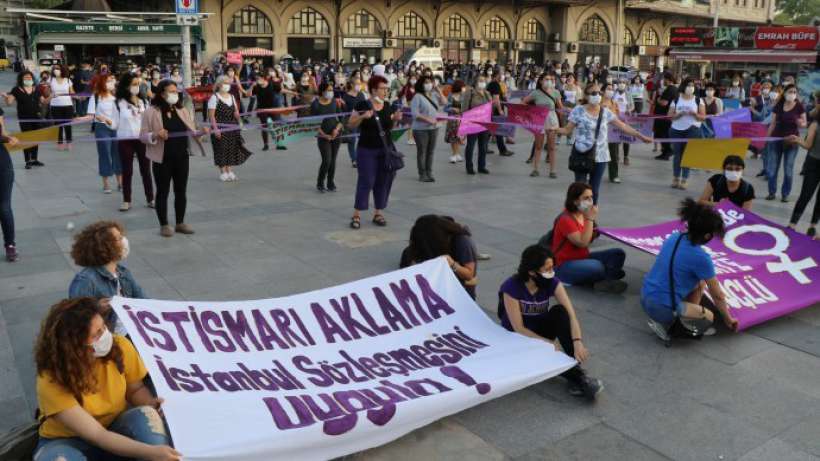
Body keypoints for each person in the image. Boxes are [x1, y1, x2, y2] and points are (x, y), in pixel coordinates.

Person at [33, 297, 181, 461]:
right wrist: (149, 452)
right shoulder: (51, 378)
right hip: (67, 441)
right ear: (73, 346)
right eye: (96, 334)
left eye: (103, 327)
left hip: (114, 426)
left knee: (147, 415)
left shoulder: (120, 345)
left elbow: (135, 389)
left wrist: (151, 403)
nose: (105, 335)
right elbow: (97, 435)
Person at [498, 245, 603, 399]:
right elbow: (518, 328)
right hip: (518, 338)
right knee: (546, 350)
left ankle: (576, 373)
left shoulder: (552, 282)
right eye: (546, 270)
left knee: (560, 312)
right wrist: (548, 342)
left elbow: (571, 314)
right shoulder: (511, 287)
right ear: (532, 272)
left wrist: (577, 341)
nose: (551, 272)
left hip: (539, 330)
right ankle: (578, 378)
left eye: (552, 267)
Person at [640, 199, 739, 342]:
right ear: (707, 236)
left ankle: (682, 318)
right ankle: (673, 327)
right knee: (709, 317)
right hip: (662, 308)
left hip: (645, 297)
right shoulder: (701, 257)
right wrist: (728, 319)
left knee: (700, 284)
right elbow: (717, 295)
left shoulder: (674, 237)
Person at [556, 83, 651, 204]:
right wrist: (555, 129)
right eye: (594, 93)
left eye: (599, 93)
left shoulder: (605, 112)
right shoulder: (578, 110)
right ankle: (577, 217)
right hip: (581, 155)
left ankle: (591, 218)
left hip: (600, 156)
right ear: (586, 95)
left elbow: (623, 126)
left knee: (594, 190)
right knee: (580, 190)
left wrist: (640, 136)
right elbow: (567, 130)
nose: (597, 95)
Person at [141, 80, 206, 238]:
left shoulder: (181, 109)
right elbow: (142, 136)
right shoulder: (151, 111)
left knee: (181, 190)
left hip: (182, 156)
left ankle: (180, 222)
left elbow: (191, 130)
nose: (174, 94)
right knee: (163, 191)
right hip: (162, 158)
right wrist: (156, 135)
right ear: (162, 93)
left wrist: (201, 132)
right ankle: (164, 224)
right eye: (171, 91)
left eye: (176, 91)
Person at [67, 221, 145, 334]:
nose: (124, 241)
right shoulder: (85, 280)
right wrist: (97, 308)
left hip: (131, 329)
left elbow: (142, 299)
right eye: (119, 238)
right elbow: (76, 319)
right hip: (109, 337)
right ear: (106, 248)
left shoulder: (123, 272)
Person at [549, 182, 628, 293]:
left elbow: (591, 236)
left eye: (591, 197)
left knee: (618, 253)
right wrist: (590, 219)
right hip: (563, 266)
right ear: (575, 200)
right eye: (586, 198)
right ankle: (604, 278)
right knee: (597, 266)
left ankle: (606, 280)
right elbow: (583, 242)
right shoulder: (566, 219)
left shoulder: (582, 213)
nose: (590, 201)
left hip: (582, 257)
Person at [347, 75, 403, 229]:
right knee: (366, 181)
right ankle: (356, 214)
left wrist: (396, 119)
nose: (386, 91)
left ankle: (378, 212)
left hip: (385, 150)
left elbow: (388, 128)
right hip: (366, 149)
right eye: (383, 89)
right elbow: (350, 125)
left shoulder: (388, 106)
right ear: (373, 90)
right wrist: (362, 116)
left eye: (387, 88)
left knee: (383, 181)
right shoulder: (362, 104)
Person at [400, 215, 478, 299]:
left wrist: (452, 264)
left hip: (459, 287)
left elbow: (469, 275)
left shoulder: (462, 241)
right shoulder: (412, 250)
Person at [115, 73, 153, 212]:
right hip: (125, 139)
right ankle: (126, 200)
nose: (136, 87)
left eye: (138, 84)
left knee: (146, 170)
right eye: (134, 84)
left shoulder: (144, 102)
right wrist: (104, 121)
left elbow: (148, 120)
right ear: (126, 86)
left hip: (141, 139)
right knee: (127, 171)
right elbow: (114, 123)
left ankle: (150, 198)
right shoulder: (119, 102)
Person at [766, 84, 807, 202]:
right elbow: (772, 123)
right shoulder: (779, 105)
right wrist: (767, 139)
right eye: (790, 91)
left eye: (794, 92)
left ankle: (785, 194)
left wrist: (800, 123)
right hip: (776, 140)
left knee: (788, 170)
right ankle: (771, 192)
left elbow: (804, 123)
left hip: (792, 142)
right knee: (772, 169)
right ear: (784, 93)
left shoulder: (799, 106)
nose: (792, 94)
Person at [208, 75, 252, 182]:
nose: (227, 85)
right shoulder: (215, 97)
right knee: (221, 149)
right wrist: (215, 129)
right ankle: (223, 172)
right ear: (219, 85)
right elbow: (211, 116)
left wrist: (239, 120)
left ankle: (230, 170)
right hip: (220, 127)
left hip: (232, 126)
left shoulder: (232, 96)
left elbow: (236, 112)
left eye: (228, 83)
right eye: (225, 83)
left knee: (231, 148)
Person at [86, 73, 123, 194]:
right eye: (108, 81)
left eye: (113, 80)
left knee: (118, 153)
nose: (112, 82)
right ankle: (106, 183)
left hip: (116, 128)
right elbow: (91, 114)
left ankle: (120, 181)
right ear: (103, 82)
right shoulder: (96, 97)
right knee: (105, 153)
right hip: (102, 128)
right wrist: (101, 117)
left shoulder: (117, 97)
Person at [786, 109, 820, 239]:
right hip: (813, 164)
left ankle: (804, 225)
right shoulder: (815, 124)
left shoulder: (816, 124)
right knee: (807, 195)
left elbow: (807, 144)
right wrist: (797, 140)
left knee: (809, 196)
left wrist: (798, 140)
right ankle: (798, 224)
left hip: (813, 162)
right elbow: (807, 144)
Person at [668, 78, 706, 190]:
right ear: (683, 86)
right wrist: (679, 115)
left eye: (692, 85)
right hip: (676, 129)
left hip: (692, 129)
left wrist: (695, 114)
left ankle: (684, 179)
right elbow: (669, 116)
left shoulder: (698, 100)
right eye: (688, 85)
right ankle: (675, 178)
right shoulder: (676, 99)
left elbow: (703, 117)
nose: (691, 88)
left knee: (686, 154)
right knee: (677, 155)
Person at [522, 73, 562, 178]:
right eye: (546, 79)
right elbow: (523, 102)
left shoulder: (556, 92)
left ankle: (552, 171)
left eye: (550, 79)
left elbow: (560, 107)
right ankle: (535, 169)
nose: (549, 81)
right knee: (538, 146)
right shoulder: (536, 93)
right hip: (539, 119)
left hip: (552, 119)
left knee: (551, 147)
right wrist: (531, 112)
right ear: (541, 81)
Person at [4, 70, 45, 169]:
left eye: (30, 77)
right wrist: (6, 97)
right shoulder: (16, 89)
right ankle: (28, 161)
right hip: (24, 118)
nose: (28, 79)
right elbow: (9, 103)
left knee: (35, 138)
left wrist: (52, 96)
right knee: (26, 138)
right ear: (21, 79)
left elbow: (43, 101)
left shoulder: (37, 89)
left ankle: (34, 159)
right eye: (26, 78)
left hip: (36, 117)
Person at [410, 75, 444, 182]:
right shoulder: (417, 97)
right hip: (420, 129)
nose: (429, 84)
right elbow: (415, 114)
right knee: (422, 151)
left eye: (430, 82)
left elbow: (444, 102)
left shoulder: (433, 95)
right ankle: (422, 173)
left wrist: (439, 91)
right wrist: (428, 120)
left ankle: (429, 172)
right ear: (421, 84)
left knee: (430, 151)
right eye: (426, 82)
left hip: (434, 128)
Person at [311, 82, 343, 193]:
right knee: (327, 160)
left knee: (333, 160)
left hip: (336, 134)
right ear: (322, 91)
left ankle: (330, 183)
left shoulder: (334, 102)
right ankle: (320, 183)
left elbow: (341, 118)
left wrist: (337, 129)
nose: (331, 92)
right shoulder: (315, 104)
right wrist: (324, 135)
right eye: (328, 90)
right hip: (323, 136)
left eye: (331, 90)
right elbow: (313, 124)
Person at [461, 76, 492, 175]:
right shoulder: (470, 92)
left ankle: (481, 166)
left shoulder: (487, 93)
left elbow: (491, 106)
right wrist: (464, 122)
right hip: (473, 123)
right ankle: (469, 167)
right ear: (476, 82)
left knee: (483, 146)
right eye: (480, 81)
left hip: (484, 123)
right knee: (471, 145)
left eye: (484, 81)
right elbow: (464, 108)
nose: (482, 82)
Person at [1, 133, 19, 261]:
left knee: (4, 207)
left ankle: (10, 245)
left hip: (2, 167)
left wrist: (7, 138)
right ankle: (10, 245)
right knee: (4, 207)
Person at [48, 65, 75, 151]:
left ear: (62, 70)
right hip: (55, 105)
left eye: (58, 68)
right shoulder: (51, 80)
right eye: (55, 69)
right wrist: (50, 94)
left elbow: (72, 92)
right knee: (58, 125)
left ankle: (69, 142)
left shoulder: (67, 80)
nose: (56, 70)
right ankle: (60, 143)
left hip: (67, 105)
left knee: (67, 125)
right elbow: (47, 92)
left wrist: (77, 96)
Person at [653, 73, 678, 160]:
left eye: (664, 79)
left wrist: (658, 99)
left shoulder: (670, 89)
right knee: (662, 134)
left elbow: (664, 103)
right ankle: (664, 152)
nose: (663, 81)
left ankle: (668, 150)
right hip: (664, 116)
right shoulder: (674, 89)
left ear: (668, 80)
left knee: (661, 134)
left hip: (663, 116)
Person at [341, 80, 366, 167]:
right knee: (352, 140)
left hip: (362, 119)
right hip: (351, 120)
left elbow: (365, 105)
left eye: (360, 84)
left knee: (364, 139)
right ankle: (354, 159)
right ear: (352, 85)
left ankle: (362, 157)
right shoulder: (346, 96)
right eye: (357, 84)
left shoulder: (361, 94)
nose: (359, 86)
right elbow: (344, 110)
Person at [251, 73, 279, 151]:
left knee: (273, 126)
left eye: (259, 78)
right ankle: (266, 144)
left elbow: (280, 89)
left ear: (264, 78)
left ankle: (277, 142)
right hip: (262, 109)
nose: (258, 80)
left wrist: (293, 92)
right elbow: (248, 94)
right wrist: (252, 86)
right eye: (257, 79)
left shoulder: (271, 84)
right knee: (264, 127)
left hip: (272, 108)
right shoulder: (257, 87)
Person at [611, 79, 633, 171]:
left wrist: (630, 110)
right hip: (614, 118)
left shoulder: (628, 94)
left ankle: (626, 156)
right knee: (615, 138)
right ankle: (616, 156)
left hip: (625, 119)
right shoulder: (613, 93)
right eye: (620, 82)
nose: (621, 84)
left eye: (623, 83)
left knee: (626, 138)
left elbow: (632, 105)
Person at [445, 80, 466, 164]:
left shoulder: (463, 96)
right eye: (463, 86)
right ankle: (454, 154)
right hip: (452, 120)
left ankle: (457, 154)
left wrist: (462, 111)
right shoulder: (450, 95)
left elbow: (466, 107)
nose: (464, 88)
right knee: (452, 137)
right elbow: (445, 108)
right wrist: (453, 109)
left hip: (461, 119)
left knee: (458, 137)